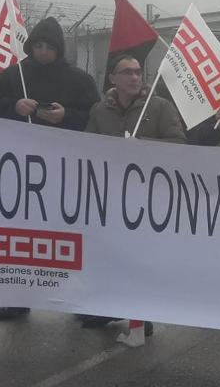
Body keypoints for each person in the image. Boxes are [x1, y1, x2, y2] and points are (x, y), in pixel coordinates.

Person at [0, 16, 100, 321]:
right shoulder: (12, 77)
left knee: (70, 235)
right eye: (37, 45)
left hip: (66, 169)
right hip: (20, 169)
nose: (42, 52)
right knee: (22, 234)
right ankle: (17, 296)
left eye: (48, 46)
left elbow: (96, 117)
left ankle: (77, 299)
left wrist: (67, 117)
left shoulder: (79, 80)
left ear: (59, 49)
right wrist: (14, 107)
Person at [79, 53, 186, 329]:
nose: (135, 77)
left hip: (147, 196)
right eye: (127, 72)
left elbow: (178, 144)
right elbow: (87, 146)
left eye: (138, 71)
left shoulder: (160, 107)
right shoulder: (99, 111)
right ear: (113, 78)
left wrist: (141, 145)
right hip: (111, 195)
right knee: (110, 254)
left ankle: (141, 313)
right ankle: (107, 307)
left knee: (142, 257)